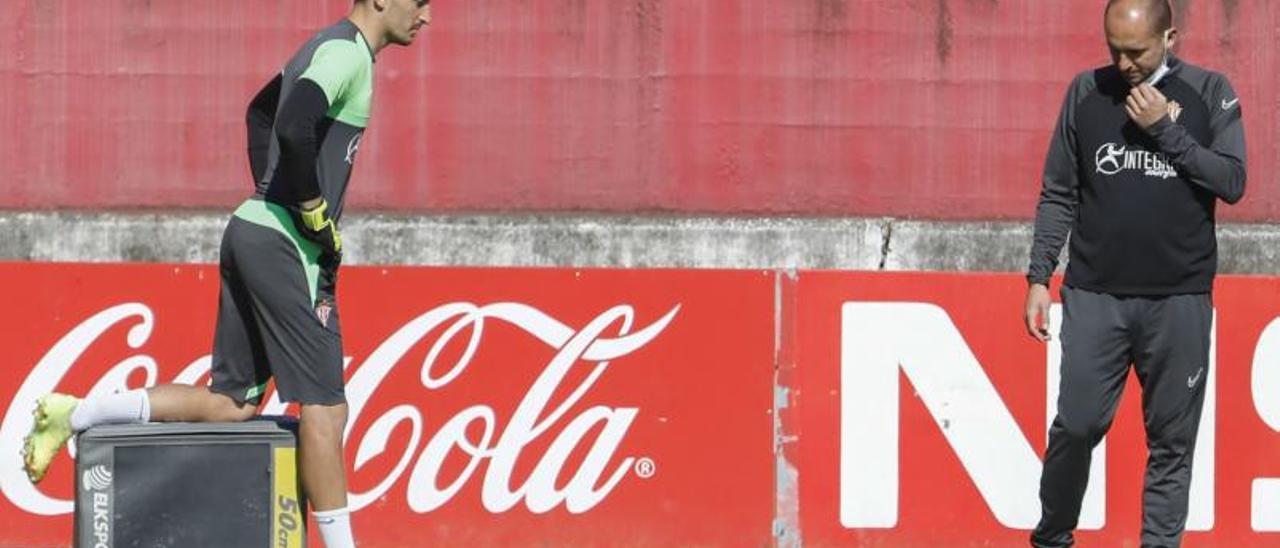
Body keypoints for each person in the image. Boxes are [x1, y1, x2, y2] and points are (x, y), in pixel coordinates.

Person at [22, 1, 433, 546]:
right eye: (421, 1)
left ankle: (74, 413)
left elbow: (259, 113)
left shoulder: (326, 48)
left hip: (254, 230)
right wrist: (306, 208)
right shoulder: (347, 53)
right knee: (326, 408)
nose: (427, 16)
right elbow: (288, 124)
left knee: (231, 404)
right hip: (285, 244)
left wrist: (268, 200)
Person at [1023, 0, 1246, 546]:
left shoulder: (1211, 92)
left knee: (1172, 443)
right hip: (1096, 294)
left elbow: (1233, 180)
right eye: (1114, 50)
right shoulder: (1085, 92)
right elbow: (1058, 192)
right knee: (1076, 425)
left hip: (1179, 299)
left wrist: (1166, 133)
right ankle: (1052, 536)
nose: (1124, 64)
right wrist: (1038, 276)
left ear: (1169, 37)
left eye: (1137, 52)